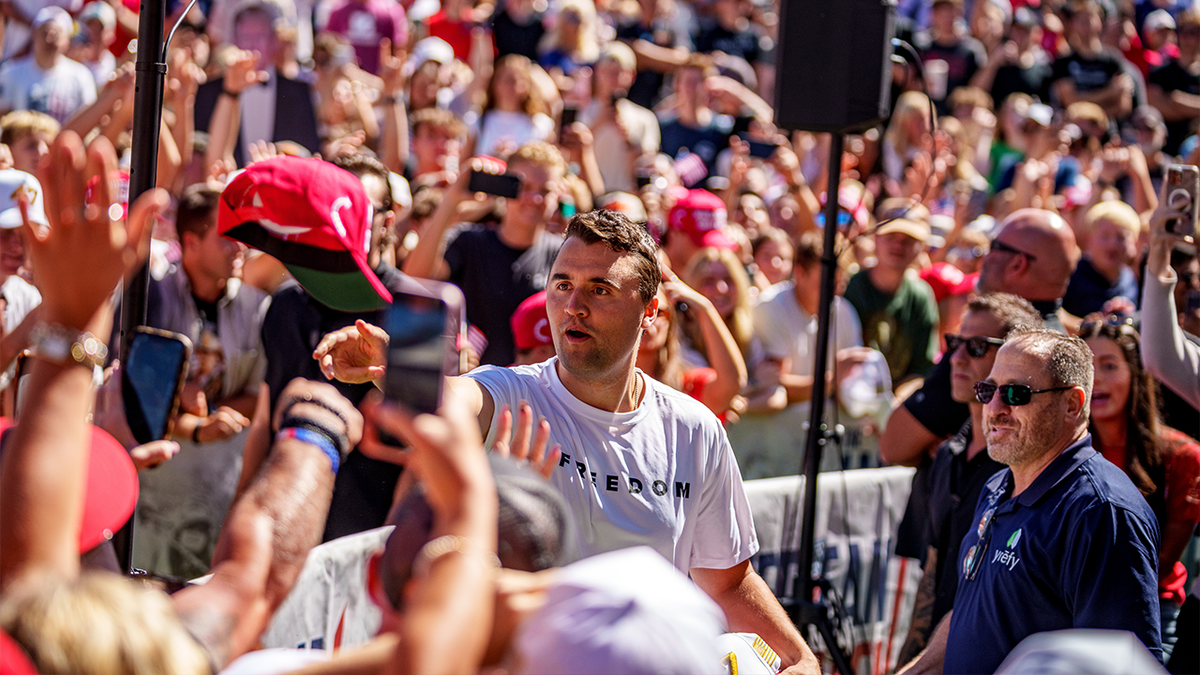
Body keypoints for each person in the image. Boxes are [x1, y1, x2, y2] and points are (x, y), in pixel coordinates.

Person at [314, 208, 822, 674]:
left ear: (649, 311)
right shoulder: (512, 391)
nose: (573, 306)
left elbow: (728, 580)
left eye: (600, 289)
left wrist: (798, 658)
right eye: (562, 285)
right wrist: (400, 366)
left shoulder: (694, 428)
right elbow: (451, 400)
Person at [0, 130, 362, 675]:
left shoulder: (22, 641)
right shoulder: (170, 658)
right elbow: (253, 580)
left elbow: (245, 585)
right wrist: (315, 437)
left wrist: (69, 323)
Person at [899, 328, 1162, 675]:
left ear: (1072, 404)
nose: (994, 408)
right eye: (988, 390)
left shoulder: (1102, 513)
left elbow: (1121, 665)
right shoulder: (997, 485)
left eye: (1016, 393)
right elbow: (975, 612)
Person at [896, 293, 1044, 663]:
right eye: (954, 343)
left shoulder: (1025, 467)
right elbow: (933, 578)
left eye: (977, 346)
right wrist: (908, 662)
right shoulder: (947, 454)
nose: (957, 359)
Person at [881, 207, 1079, 469]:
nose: (984, 256)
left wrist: (947, 450)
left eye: (994, 246)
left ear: (1018, 263)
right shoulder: (1061, 345)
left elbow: (894, 445)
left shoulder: (991, 337)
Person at [1079, 318, 1200, 661]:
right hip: (1070, 608)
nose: (1096, 378)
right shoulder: (1058, 454)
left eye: (1110, 366)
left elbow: (1160, 564)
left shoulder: (1183, 458)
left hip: (1153, 613)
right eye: (1086, 366)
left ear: (1137, 373)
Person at [403, 144, 566, 366]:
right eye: (524, 187)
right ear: (504, 188)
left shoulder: (564, 254)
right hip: (472, 385)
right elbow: (415, 280)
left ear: (558, 194)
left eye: (545, 190)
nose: (534, 199)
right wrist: (452, 199)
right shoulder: (469, 241)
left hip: (535, 389)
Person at [735, 230, 867, 479]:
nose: (834, 293)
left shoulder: (845, 311)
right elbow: (779, 387)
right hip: (768, 452)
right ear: (799, 273)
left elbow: (851, 384)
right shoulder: (770, 307)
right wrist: (833, 381)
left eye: (840, 284)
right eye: (825, 284)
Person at [148, 185, 267, 444]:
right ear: (191, 242)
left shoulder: (257, 306)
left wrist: (211, 418)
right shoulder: (153, 297)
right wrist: (196, 423)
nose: (240, 247)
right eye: (227, 238)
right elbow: (141, 389)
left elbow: (259, 394)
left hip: (222, 469)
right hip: (158, 464)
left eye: (241, 236)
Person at [195, 2, 321, 167]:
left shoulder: (299, 92)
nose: (253, 45)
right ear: (234, 40)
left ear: (274, 41)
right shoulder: (208, 92)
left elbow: (308, 150)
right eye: (246, 37)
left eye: (260, 36)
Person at [843, 217, 940, 387]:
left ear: (921, 249)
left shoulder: (920, 295)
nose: (898, 246)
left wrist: (896, 404)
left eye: (907, 241)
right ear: (875, 241)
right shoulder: (851, 287)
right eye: (891, 238)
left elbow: (923, 368)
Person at [0, 7, 98, 125]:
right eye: (45, 32)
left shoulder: (82, 76)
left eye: (56, 34)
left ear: (67, 39)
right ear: (34, 34)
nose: (49, 38)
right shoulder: (10, 73)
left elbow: (88, 120)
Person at [1061, 200, 1140, 317]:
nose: (1112, 245)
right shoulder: (1070, 277)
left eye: (1121, 237)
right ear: (1089, 240)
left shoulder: (1130, 279)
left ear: (1134, 243)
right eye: (1105, 236)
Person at [1147, 8, 1200, 158]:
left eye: (1193, 32)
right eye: (1183, 32)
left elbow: (1170, 106)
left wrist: (1177, 100)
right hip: (1167, 151)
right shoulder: (1160, 72)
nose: (1188, 37)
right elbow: (1157, 107)